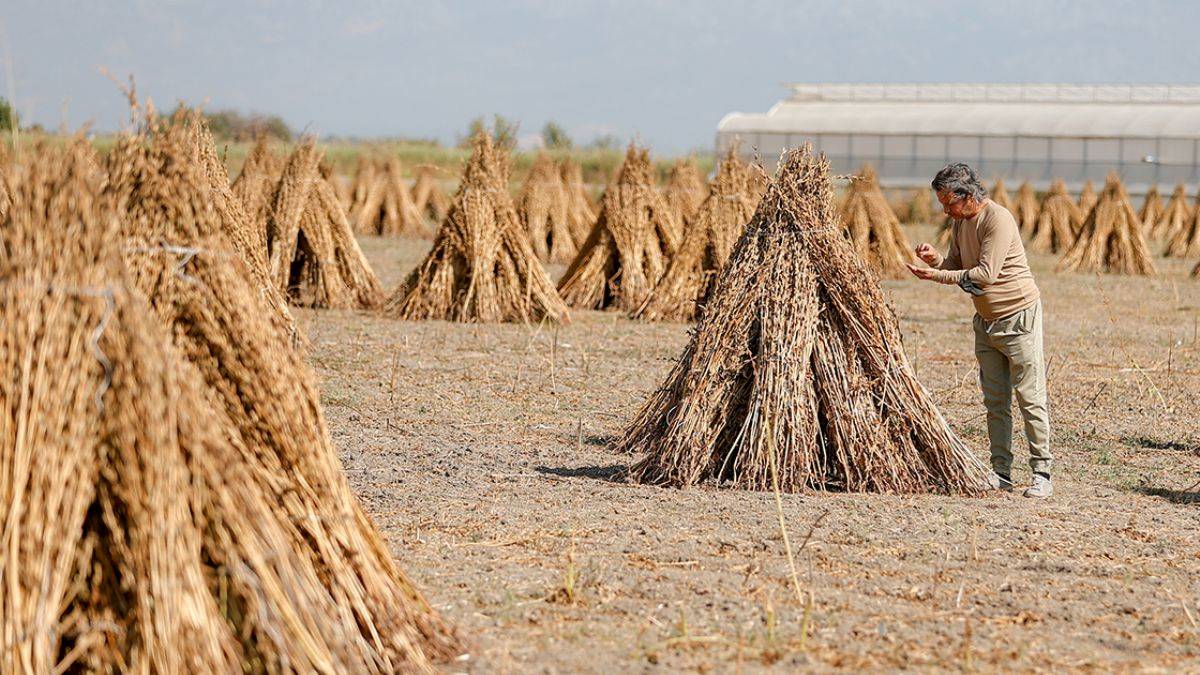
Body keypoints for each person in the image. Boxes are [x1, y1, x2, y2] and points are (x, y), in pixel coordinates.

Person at [907, 163, 1052, 498]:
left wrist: (936, 277)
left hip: (1018, 318)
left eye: (949, 203)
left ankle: (1042, 472)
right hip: (986, 321)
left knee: (1030, 397)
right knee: (995, 399)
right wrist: (935, 261)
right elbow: (956, 268)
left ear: (968, 195)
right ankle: (1001, 472)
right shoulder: (961, 223)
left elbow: (985, 274)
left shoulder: (997, 220)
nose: (945, 209)